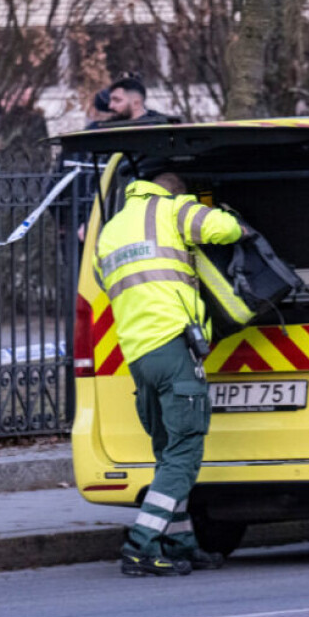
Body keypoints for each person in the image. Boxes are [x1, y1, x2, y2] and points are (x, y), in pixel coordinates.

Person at [94, 160, 245, 576]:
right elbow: (223, 230)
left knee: (167, 455)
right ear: (175, 190)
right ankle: (140, 545)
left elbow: (101, 278)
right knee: (183, 455)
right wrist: (234, 220)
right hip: (174, 347)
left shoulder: (111, 230)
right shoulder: (173, 209)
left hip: (138, 355)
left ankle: (181, 543)